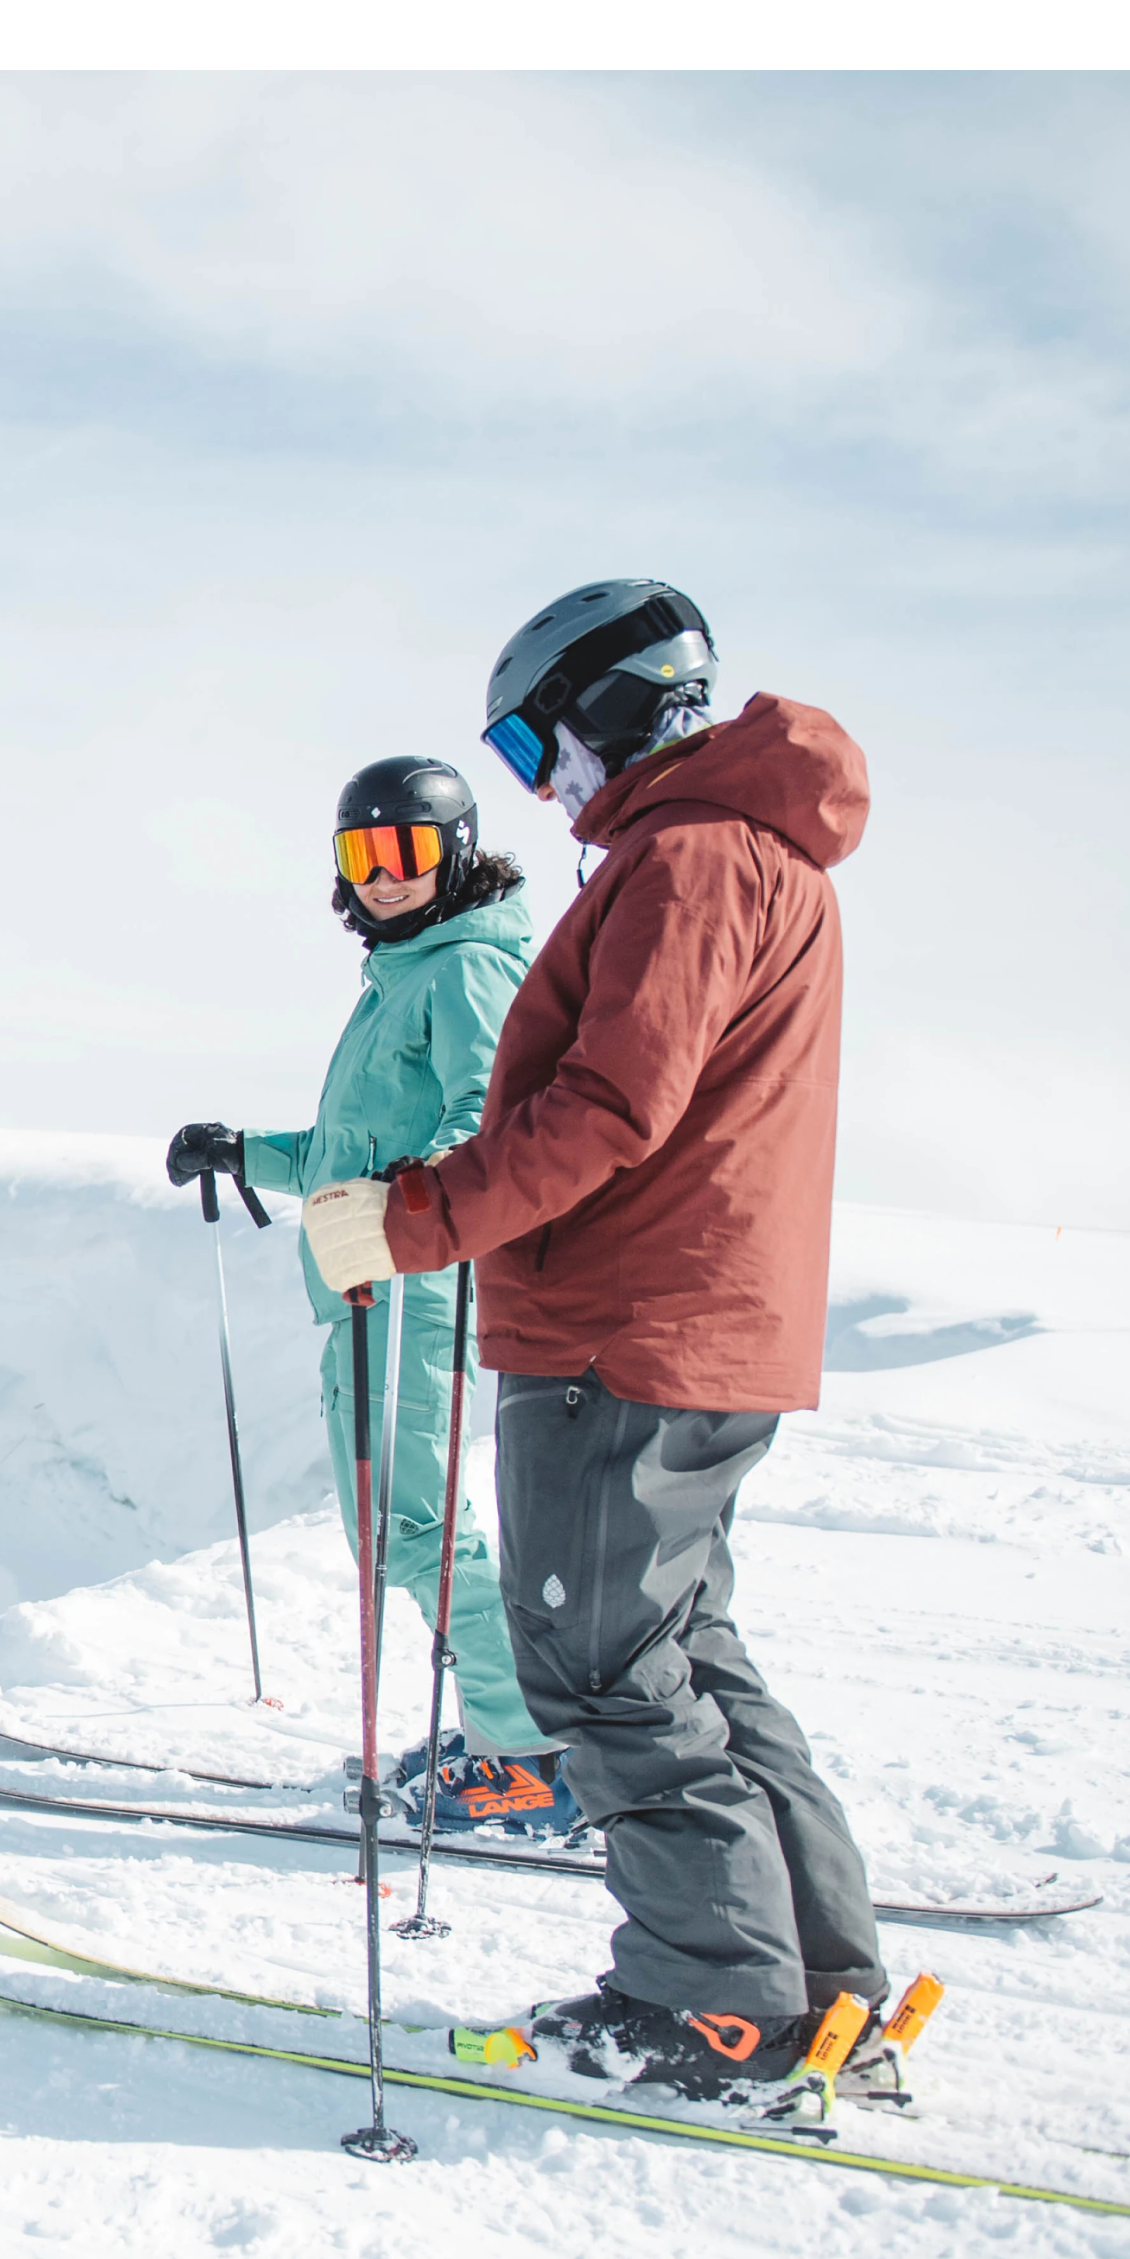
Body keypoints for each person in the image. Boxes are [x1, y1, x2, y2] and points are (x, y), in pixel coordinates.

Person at [287, 580, 892, 2104]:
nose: (535, 781)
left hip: (621, 1330)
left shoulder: (684, 860)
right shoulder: (761, 857)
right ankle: (814, 1983)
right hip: (695, 1325)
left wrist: (411, 1221)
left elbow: (605, 1112)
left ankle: (712, 2011)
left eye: (526, 739)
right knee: (680, 1651)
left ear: (607, 705)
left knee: (607, 1669)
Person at [165, 756, 566, 1833]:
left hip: (414, 1282)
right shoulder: (404, 978)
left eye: (408, 852)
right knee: (397, 1528)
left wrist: (404, 1202)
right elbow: (357, 1153)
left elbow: (492, 1121)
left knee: (416, 1528)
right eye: (363, 855)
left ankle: (525, 1751)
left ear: (459, 853)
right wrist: (247, 1152)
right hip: (367, 1282)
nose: (384, 877)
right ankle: (501, 1722)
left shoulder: (467, 971)